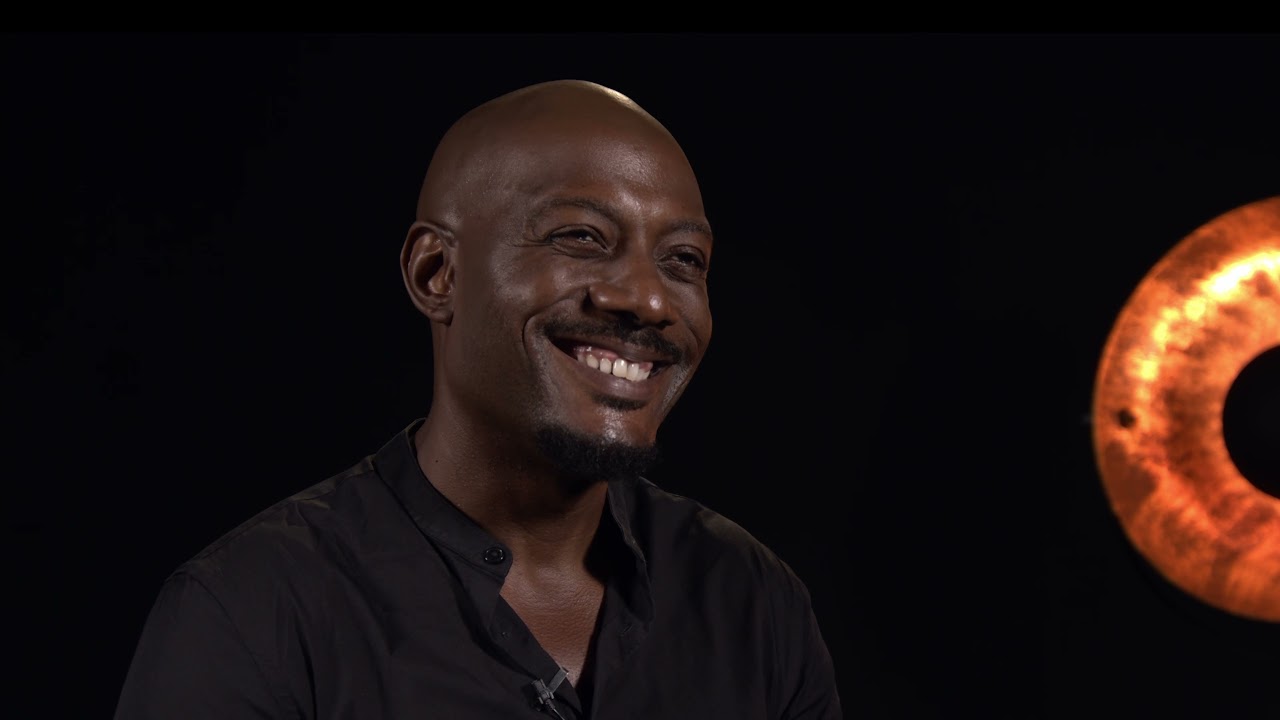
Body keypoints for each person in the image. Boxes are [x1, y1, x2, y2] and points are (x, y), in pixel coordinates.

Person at [114, 79, 843, 719]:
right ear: (437, 274)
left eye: (683, 259)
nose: (650, 299)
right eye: (582, 237)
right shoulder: (254, 612)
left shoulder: (753, 604)